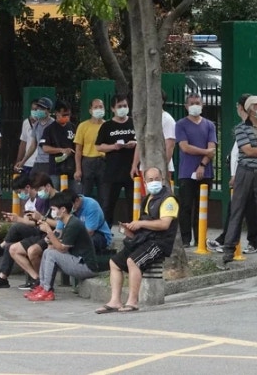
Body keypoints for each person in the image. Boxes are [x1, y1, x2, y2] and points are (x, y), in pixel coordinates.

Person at [96, 167, 178, 314]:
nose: (154, 182)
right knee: (114, 262)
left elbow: (164, 224)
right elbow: (145, 223)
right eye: (150, 180)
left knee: (132, 261)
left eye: (157, 179)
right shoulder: (147, 199)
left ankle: (132, 301)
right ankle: (115, 301)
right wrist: (131, 228)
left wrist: (140, 223)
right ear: (144, 182)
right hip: (144, 238)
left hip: (159, 242)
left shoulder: (168, 200)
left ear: (162, 180)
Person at [221, 95, 257, 264]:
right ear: (250, 110)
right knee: (237, 209)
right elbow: (248, 150)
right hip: (245, 172)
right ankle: (229, 249)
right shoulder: (241, 129)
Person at [25, 189, 100, 302]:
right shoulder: (67, 222)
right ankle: (42, 286)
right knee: (47, 251)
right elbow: (59, 242)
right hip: (76, 260)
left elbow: (62, 248)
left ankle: (47, 291)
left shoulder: (73, 224)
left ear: (63, 209)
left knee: (51, 254)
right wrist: (49, 239)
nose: (52, 212)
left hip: (86, 267)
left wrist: (49, 231)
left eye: (54, 209)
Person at [207, 94, 257, 253]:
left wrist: (235, 175)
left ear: (241, 107)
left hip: (248, 174)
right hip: (243, 174)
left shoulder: (252, 127)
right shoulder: (243, 126)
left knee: (240, 209)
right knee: (241, 208)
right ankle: (230, 239)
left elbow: (244, 153)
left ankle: (244, 241)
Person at [0, 172, 52, 289]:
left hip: (41, 231)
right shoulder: (28, 203)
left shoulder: (40, 200)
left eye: (20, 192)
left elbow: (37, 222)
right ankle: (2, 277)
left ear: (28, 187)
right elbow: (27, 221)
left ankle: (0, 248)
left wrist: (19, 220)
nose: (20, 195)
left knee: (16, 227)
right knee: (10, 244)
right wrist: (17, 219)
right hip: (31, 230)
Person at [175, 93, 217, 247]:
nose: (195, 106)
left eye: (198, 103)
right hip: (186, 172)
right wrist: (205, 152)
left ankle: (200, 239)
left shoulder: (210, 125)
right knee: (185, 206)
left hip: (206, 172)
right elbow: (185, 147)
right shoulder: (181, 124)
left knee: (202, 207)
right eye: (192, 103)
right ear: (186, 106)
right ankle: (186, 240)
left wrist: (203, 164)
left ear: (202, 105)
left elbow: (212, 149)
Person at [8, 173, 61, 290]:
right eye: (37, 190)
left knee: (32, 251)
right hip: (42, 233)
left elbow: (61, 224)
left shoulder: (60, 200)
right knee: (13, 249)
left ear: (48, 186)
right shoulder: (43, 200)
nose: (38, 193)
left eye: (39, 190)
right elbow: (39, 221)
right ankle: (38, 280)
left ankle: (45, 284)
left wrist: (42, 218)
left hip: (54, 235)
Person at [95, 94, 136, 226]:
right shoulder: (107, 126)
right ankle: (106, 231)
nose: (123, 108)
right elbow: (98, 146)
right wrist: (114, 147)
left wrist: (134, 144)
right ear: (113, 109)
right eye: (119, 106)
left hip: (132, 170)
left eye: (125, 106)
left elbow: (142, 142)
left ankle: (132, 231)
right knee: (108, 204)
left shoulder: (134, 123)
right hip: (113, 170)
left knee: (133, 203)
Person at [73, 98, 106, 201]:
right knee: (85, 194)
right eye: (95, 107)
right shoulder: (83, 126)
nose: (98, 109)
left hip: (104, 162)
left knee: (104, 195)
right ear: (90, 110)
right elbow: (78, 150)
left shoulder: (107, 125)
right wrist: (78, 169)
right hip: (88, 162)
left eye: (101, 107)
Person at [40, 99, 77, 190]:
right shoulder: (49, 129)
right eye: (64, 115)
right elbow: (45, 148)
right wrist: (62, 150)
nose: (66, 117)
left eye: (68, 114)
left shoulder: (73, 127)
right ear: (57, 113)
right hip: (56, 169)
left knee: (72, 193)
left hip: (71, 168)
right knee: (55, 193)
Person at [16, 97, 55, 176]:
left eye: (42, 108)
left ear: (48, 110)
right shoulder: (36, 125)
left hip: (50, 161)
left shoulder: (53, 124)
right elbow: (33, 146)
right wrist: (23, 161)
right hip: (38, 161)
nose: (39, 110)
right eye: (38, 108)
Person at [15, 99, 40, 176]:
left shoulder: (46, 124)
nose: (34, 112)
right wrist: (19, 160)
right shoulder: (26, 123)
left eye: (36, 110)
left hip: (40, 162)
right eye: (33, 109)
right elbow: (23, 143)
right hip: (28, 162)